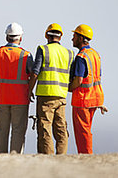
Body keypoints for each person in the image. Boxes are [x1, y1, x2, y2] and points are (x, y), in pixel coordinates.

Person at [28, 23, 74, 154]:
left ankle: (47, 157)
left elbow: (35, 72)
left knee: (45, 128)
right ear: (60, 37)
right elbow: (71, 76)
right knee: (61, 129)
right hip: (61, 96)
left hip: (45, 96)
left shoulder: (43, 49)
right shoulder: (69, 53)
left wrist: (29, 89)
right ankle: (62, 156)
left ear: (46, 35)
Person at [0, 22, 33, 153]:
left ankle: (1, 155)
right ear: (20, 38)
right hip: (20, 98)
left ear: (7, 37)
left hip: (2, 97)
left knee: (1, 130)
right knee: (18, 130)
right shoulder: (26, 55)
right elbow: (33, 73)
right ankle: (15, 155)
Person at [69, 24, 108, 154]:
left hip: (83, 99)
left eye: (74, 36)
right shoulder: (95, 54)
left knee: (82, 132)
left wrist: (68, 88)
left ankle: (86, 156)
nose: (72, 39)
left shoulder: (81, 57)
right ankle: (87, 154)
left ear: (81, 38)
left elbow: (79, 80)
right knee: (87, 129)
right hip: (95, 98)